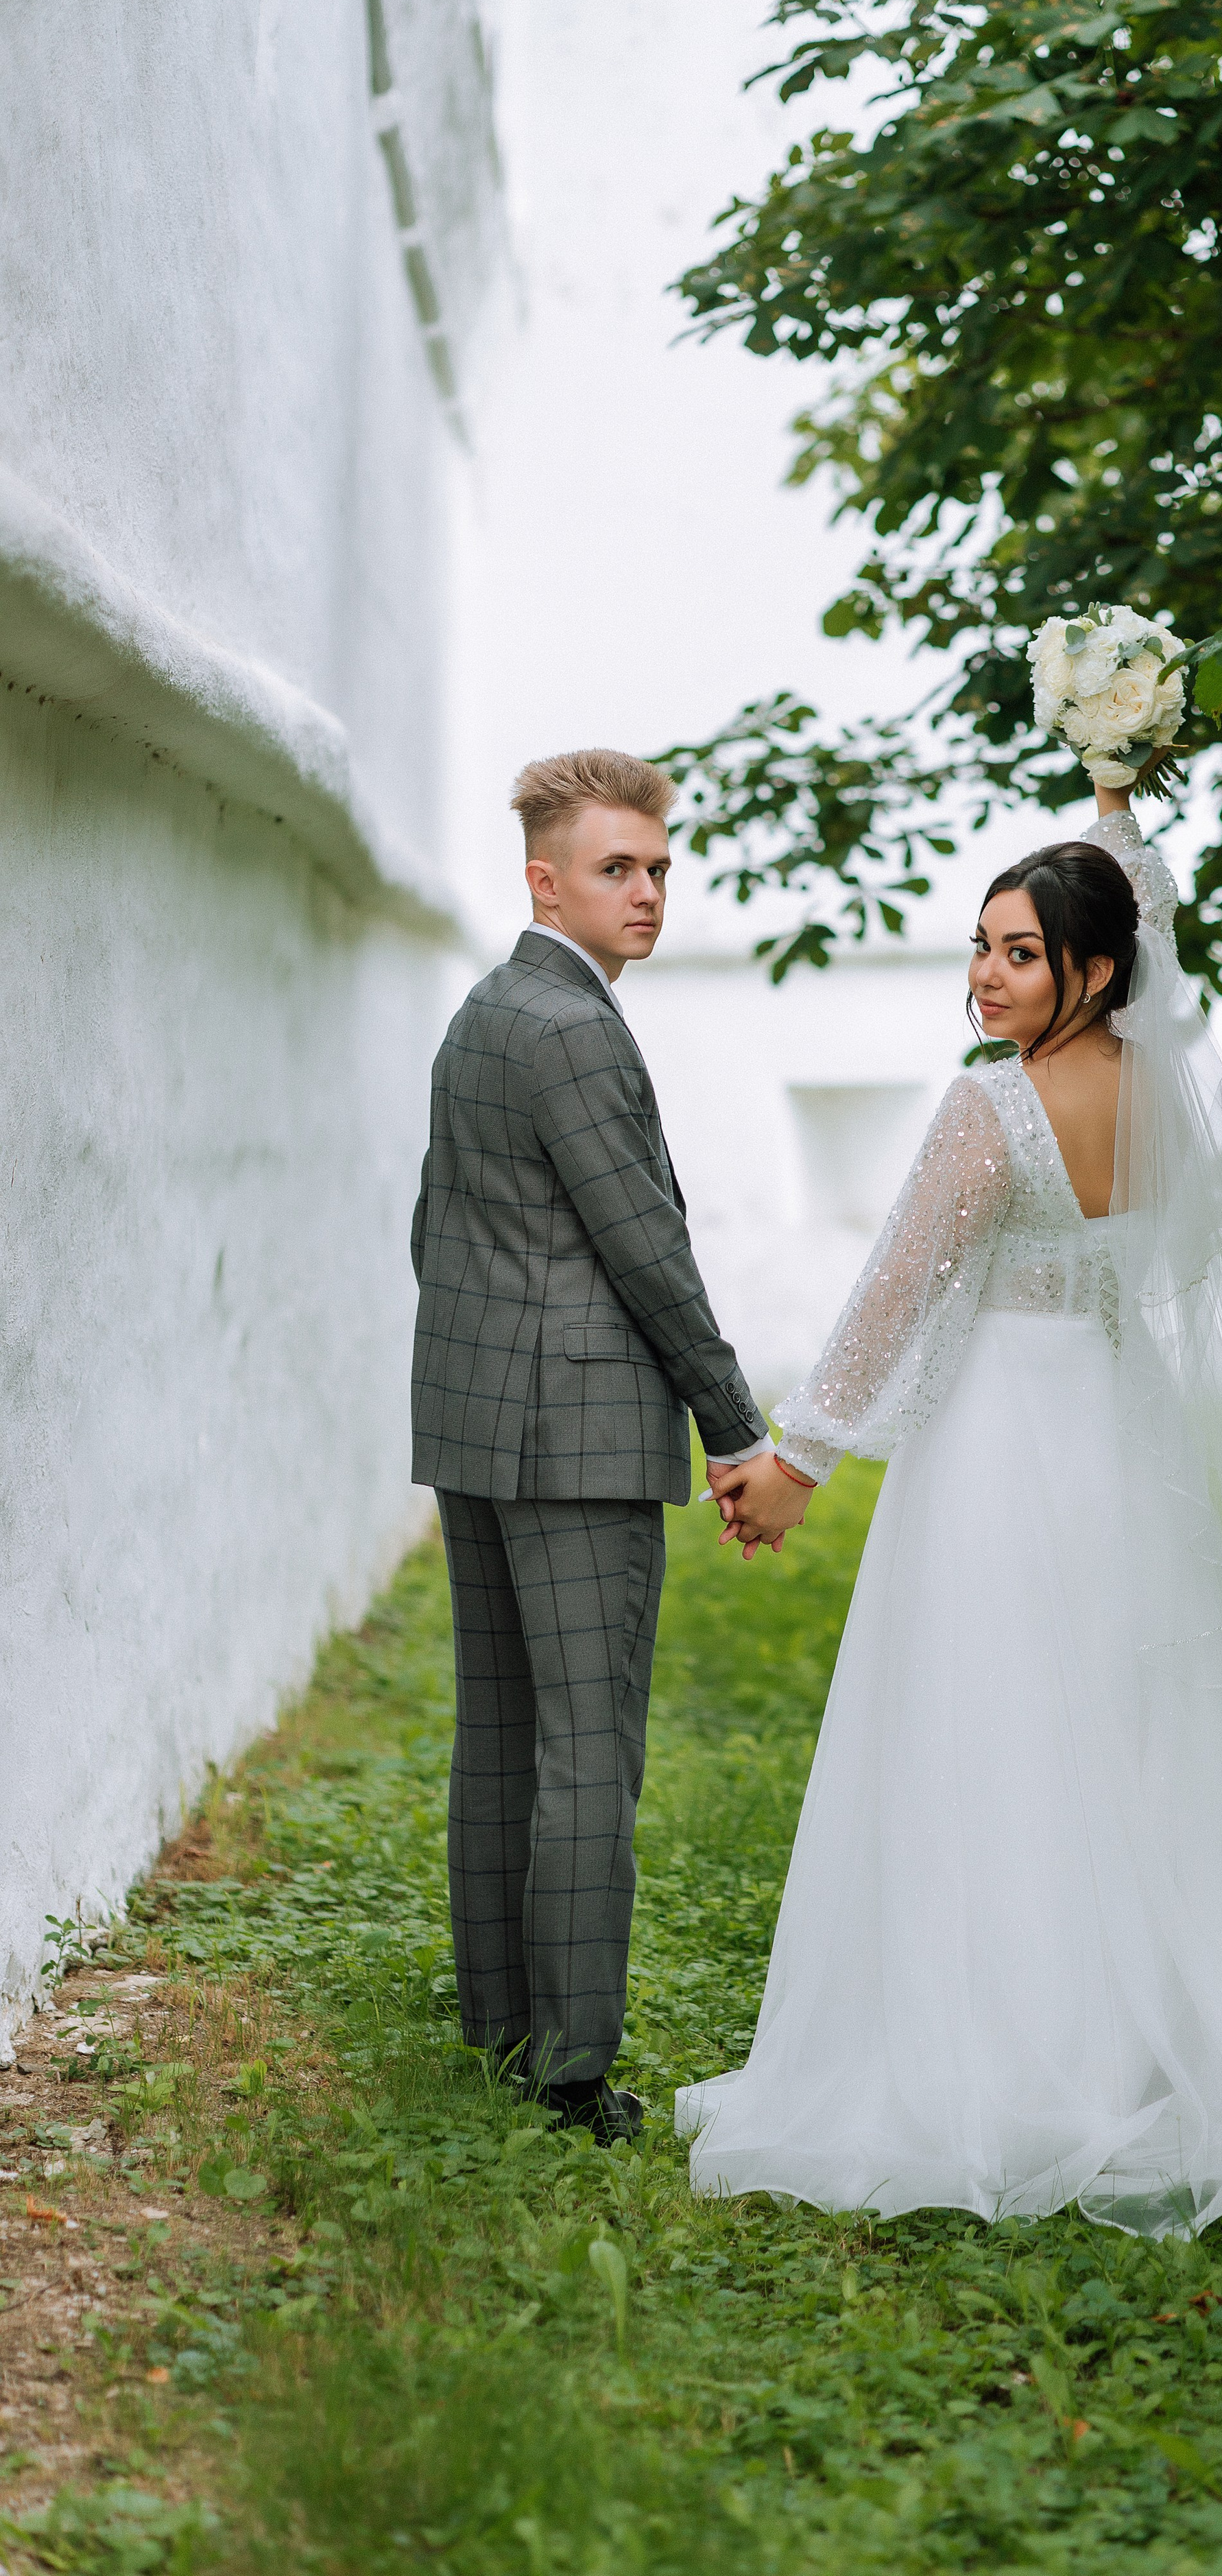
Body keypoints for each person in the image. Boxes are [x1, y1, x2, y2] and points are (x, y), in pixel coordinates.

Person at [686, 787, 1222, 2242]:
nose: (981, 976)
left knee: (990, 1726)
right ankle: (1148, 2039)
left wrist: (797, 1464)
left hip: (1002, 1448)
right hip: (1124, 1449)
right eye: (978, 948)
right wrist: (1115, 811)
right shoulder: (1161, 1095)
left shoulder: (986, 1104)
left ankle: (1011, 2058)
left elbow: (894, 1291)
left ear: (1094, 969)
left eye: (1015, 952)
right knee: (1136, 1737)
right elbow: (1156, 1271)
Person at [411, 748, 811, 2142]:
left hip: (478, 1421)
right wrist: (735, 1424)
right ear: (544, 880)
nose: (646, 894)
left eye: (655, 866)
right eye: (614, 869)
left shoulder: (485, 1008)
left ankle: (501, 2025)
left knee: (504, 1736)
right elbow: (645, 1248)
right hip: (573, 1435)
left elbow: (435, 1233)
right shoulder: (572, 1025)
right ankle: (571, 2073)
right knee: (588, 1752)